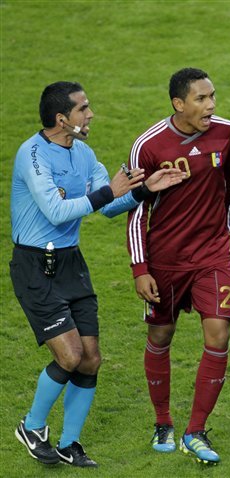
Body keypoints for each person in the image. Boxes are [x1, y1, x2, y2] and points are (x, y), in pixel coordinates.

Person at [10, 81, 185, 468]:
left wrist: (144, 190)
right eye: (83, 109)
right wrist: (110, 191)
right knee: (70, 355)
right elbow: (57, 212)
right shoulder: (32, 154)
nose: (90, 114)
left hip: (72, 265)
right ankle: (32, 426)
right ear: (62, 119)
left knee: (90, 359)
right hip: (35, 267)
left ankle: (69, 444)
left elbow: (107, 205)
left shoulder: (84, 154)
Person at [126, 68, 230, 465]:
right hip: (166, 260)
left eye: (212, 96)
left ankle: (196, 431)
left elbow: (229, 184)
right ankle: (163, 422)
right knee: (161, 335)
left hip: (212, 255)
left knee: (219, 334)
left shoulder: (227, 133)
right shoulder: (148, 145)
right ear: (178, 104)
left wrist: (224, 231)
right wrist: (140, 268)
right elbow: (136, 210)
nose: (211, 105)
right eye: (201, 99)